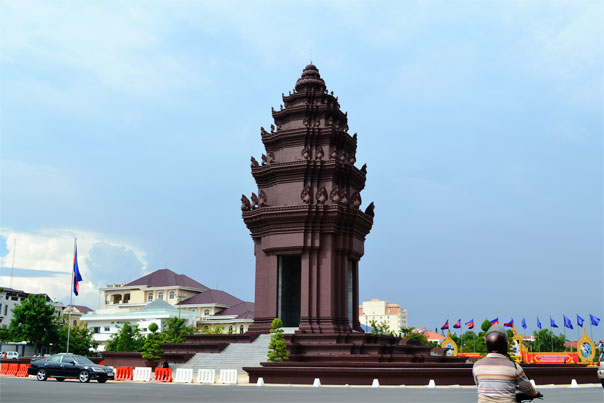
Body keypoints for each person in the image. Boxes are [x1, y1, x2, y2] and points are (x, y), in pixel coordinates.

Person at [473, 325, 542, 402]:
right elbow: (528, 389)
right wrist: (536, 393)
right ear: (505, 346)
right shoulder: (514, 367)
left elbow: (479, 385)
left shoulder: (477, 366)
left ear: (487, 345)